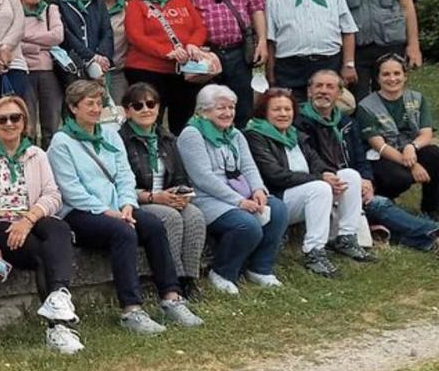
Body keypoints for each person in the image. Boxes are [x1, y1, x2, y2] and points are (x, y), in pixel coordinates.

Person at [48, 80, 201, 335]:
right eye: (90, 104)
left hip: (118, 207)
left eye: (99, 103)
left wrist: (127, 204)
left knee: (153, 224)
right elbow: (71, 190)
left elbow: (124, 176)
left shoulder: (109, 134)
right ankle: (131, 309)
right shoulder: (61, 143)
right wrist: (110, 213)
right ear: (73, 108)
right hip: (82, 212)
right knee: (123, 232)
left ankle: (171, 296)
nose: (96, 109)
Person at [0, 97, 83, 354]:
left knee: (59, 228)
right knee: (41, 254)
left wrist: (28, 220)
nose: (9, 124)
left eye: (15, 118)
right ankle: (58, 329)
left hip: (29, 218)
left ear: (24, 122)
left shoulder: (36, 154)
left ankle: (59, 296)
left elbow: (52, 195)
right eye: (2, 119)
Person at [297, 69, 439, 252]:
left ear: (339, 94)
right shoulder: (299, 121)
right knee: (378, 205)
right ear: (309, 91)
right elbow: (307, 160)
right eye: (318, 86)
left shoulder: (346, 122)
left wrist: (366, 180)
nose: (323, 91)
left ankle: (425, 240)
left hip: (350, 181)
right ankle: (431, 232)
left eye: (330, 87)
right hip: (322, 183)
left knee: (373, 201)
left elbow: (360, 157)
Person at [177, 85, 289, 294]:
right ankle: (223, 272)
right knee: (246, 225)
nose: (228, 113)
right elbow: (203, 178)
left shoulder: (235, 134)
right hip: (208, 198)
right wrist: (238, 201)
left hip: (240, 193)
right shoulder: (192, 134)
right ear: (203, 110)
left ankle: (260, 268)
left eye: (231, 107)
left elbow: (248, 166)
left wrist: (258, 190)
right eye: (221, 108)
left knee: (278, 209)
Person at [245, 88, 367, 277]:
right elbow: (274, 175)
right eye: (277, 109)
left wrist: (327, 174)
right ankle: (314, 252)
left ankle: (346, 237)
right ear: (265, 112)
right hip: (278, 198)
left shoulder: (294, 134)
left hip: (307, 192)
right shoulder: (255, 135)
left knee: (350, 176)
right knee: (319, 188)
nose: (284, 114)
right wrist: (319, 178)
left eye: (288, 109)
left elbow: (315, 161)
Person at [174, 0, 269, 128]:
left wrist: (262, 42)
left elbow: (257, 9)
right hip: (206, 54)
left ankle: (242, 148)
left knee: (241, 106)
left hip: (238, 51)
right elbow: (177, 18)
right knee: (207, 105)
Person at [120, 83, 206, 293]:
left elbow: (180, 176)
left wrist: (182, 195)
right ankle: (173, 278)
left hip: (168, 197)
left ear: (158, 108)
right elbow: (121, 184)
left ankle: (190, 277)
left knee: (194, 216)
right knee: (171, 218)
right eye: (138, 106)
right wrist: (153, 197)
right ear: (127, 111)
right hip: (139, 201)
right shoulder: (121, 140)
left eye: (151, 103)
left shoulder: (167, 139)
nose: (146, 109)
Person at [124, 0, 211, 134]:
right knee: (150, 121)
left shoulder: (182, 0)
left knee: (183, 121)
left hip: (182, 70)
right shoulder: (136, 3)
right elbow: (136, 36)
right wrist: (167, 52)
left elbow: (200, 28)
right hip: (148, 70)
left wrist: (192, 45)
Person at [265, 0, 358, 101]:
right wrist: (270, 74)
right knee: (292, 115)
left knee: (327, 111)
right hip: (290, 69)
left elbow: (348, 31)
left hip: (328, 64)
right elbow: (270, 41)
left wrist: (348, 64)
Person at [357, 54, 439, 221]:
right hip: (382, 155)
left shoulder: (417, 99)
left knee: (434, 154)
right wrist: (413, 165)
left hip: (410, 150)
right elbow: (378, 144)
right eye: (386, 74)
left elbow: (426, 133)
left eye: (397, 73)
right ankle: (380, 201)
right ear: (378, 78)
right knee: (399, 178)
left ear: (405, 76)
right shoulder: (366, 106)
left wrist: (412, 147)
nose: (392, 78)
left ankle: (431, 209)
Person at [17, 0, 64, 145]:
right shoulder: (14, 11)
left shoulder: (50, 9)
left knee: (51, 125)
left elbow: (57, 36)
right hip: (23, 71)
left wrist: (25, 38)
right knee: (26, 125)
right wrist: (40, 47)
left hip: (48, 72)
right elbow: (12, 42)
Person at [55, 0, 114, 87]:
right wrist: (90, 56)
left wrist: (102, 56)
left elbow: (107, 32)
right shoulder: (59, 0)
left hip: (98, 64)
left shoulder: (98, 1)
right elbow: (65, 33)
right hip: (71, 64)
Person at [98, 0, 129, 103]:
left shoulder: (128, 8)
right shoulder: (91, 7)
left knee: (118, 113)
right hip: (93, 72)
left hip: (118, 71)